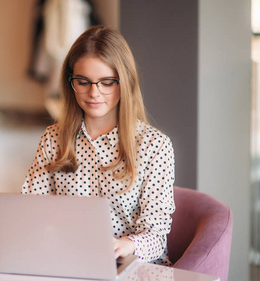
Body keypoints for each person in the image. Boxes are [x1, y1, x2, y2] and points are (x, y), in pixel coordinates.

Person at [22, 25, 175, 265]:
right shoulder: (53, 139)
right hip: (69, 261)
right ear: (70, 82)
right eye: (83, 82)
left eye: (106, 82)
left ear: (124, 83)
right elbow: (31, 211)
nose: (94, 93)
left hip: (134, 268)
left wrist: (127, 245)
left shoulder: (154, 146)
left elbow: (156, 237)